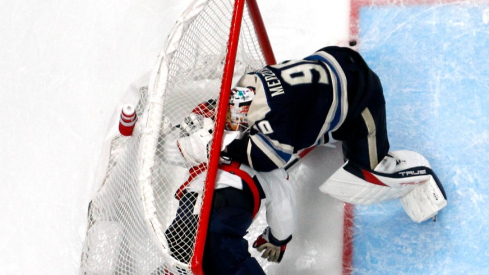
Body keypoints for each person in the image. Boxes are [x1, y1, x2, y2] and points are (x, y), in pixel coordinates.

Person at [222, 46, 447, 223]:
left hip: (362, 94)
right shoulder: (247, 83)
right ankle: (336, 127)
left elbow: (269, 160)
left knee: (367, 171)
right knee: (303, 119)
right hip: (332, 60)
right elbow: (247, 115)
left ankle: (420, 176)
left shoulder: (274, 115)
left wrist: (228, 150)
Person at [165, 92, 295, 275]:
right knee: (189, 243)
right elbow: (283, 206)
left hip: (227, 197)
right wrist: (278, 239)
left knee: (211, 241)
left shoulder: (263, 158)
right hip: (203, 196)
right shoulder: (209, 146)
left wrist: (278, 238)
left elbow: (282, 203)